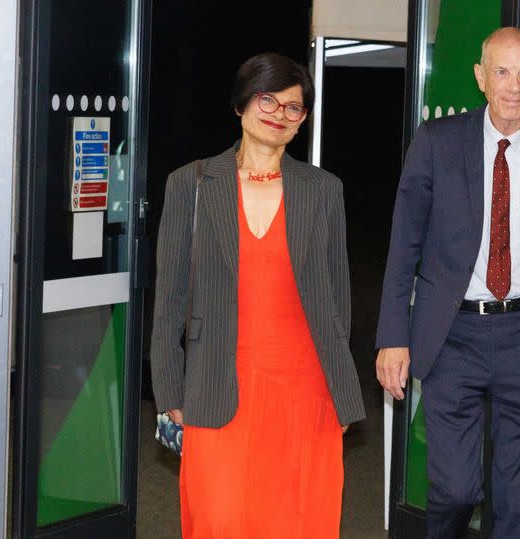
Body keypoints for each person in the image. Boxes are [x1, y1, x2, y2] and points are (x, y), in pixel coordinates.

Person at [375, 27, 520, 538]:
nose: (514, 85)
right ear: (480, 77)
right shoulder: (437, 143)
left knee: (519, 502)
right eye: (502, 71)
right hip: (453, 335)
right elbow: (403, 247)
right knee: (455, 490)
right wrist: (392, 335)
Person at [150, 52, 365, 538]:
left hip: (306, 391)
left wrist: (340, 392)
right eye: (269, 99)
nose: (280, 114)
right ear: (242, 103)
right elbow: (168, 302)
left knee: (297, 522)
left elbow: (338, 305)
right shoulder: (193, 184)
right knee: (220, 519)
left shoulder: (323, 190)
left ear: (303, 119)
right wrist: (169, 393)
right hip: (216, 386)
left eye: (294, 108)